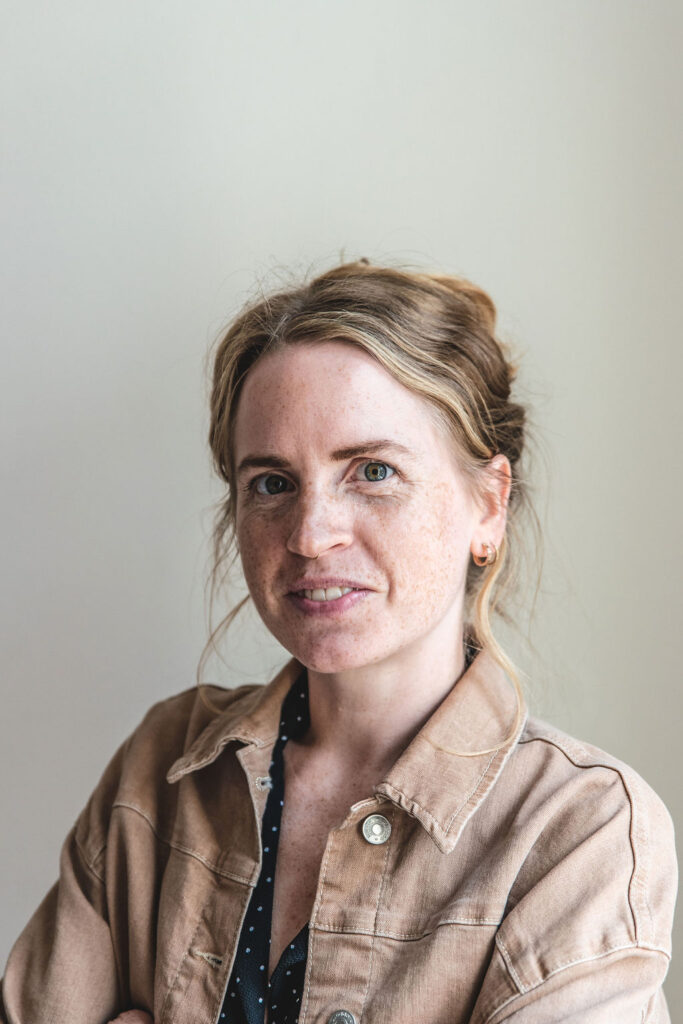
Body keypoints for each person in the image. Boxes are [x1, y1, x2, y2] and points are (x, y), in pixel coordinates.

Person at [1, 260, 676, 1024]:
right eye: (272, 483)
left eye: (373, 471)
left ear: (488, 507)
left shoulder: (578, 831)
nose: (310, 535)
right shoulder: (162, 768)